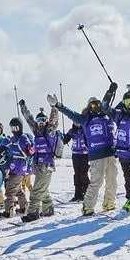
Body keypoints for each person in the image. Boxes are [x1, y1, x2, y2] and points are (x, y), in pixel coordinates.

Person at [50, 83, 118, 216]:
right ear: (89, 107)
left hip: (111, 152)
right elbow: (71, 114)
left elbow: (122, 109)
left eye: (97, 104)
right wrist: (58, 105)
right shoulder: (86, 119)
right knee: (96, 181)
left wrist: (116, 91)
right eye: (92, 105)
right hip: (96, 154)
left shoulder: (108, 115)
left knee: (112, 179)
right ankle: (88, 207)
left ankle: (109, 203)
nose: (96, 107)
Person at [19, 100, 60, 221]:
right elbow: (29, 119)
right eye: (38, 121)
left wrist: (54, 107)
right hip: (38, 165)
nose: (40, 123)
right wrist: (23, 107)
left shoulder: (49, 130)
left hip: (46, 165)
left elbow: (53, 120)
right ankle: (48, 209)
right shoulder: (37, 131)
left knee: (36, 191)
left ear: (46, 121)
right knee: (43, 189)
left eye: (43, 120)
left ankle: (33, 213)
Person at [1, 116, 34, 218]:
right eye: (12, 128)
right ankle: (24, 207)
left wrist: (30, 149)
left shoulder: (23, 138)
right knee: (18, 189)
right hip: (13, 168)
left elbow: (29, 149)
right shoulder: (12, 139)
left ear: (20, 127)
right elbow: (5, 145)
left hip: (19, 168)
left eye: (16, 128)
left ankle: (8, 211)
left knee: (10, 191)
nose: (14, 130)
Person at [63, 120, 90, 202]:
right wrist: (64, 137)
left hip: (85, 155)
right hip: (75, 155)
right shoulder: (72, 131)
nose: (77, 123)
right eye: (75, 122)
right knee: (77, 175)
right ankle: (77, 195)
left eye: (78, 121)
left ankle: (86, 193)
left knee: (83, 174)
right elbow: (65, 141)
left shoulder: (85, 129)